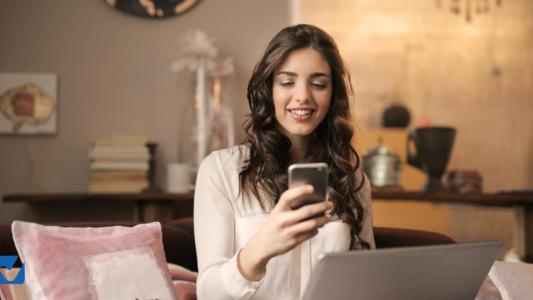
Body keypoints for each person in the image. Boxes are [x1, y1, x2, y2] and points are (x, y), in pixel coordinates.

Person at [194, 24, 375, 299]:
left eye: (318, 84)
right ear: (269, 89)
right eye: (287, 82)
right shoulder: (221, 171)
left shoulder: (351, 178)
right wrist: (260, 249)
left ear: (333, 94)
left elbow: (366, 281)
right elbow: (208, 293)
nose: (302, 96)